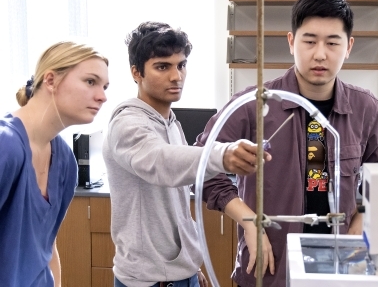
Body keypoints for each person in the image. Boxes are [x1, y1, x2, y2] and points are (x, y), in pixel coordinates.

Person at [195, 0, 378, 287]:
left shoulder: (366, 109)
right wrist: (249, 221)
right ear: (291, 42)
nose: (320, 54)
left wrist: (363, 217)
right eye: (310, 41)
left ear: (349, 46)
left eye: (332, 42)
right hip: (268, 271)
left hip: (339, 272)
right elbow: (200, 167)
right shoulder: (253, 105)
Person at [102, 21, 271, 287]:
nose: (176, 76)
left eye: (181, 65)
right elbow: (161, 162)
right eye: (162, 66)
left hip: (180, 275)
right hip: (149, 281)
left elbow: (176, 207)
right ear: (136, 72)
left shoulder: (170, 122)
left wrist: (190, 266)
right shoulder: (127, 124)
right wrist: (222, 154)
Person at [0, 41, 109, 287]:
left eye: (104, 86)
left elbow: (47, 246)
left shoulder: (65, 161)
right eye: (90, 82)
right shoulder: (6, 146)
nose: (102, 96)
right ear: (50, 80)